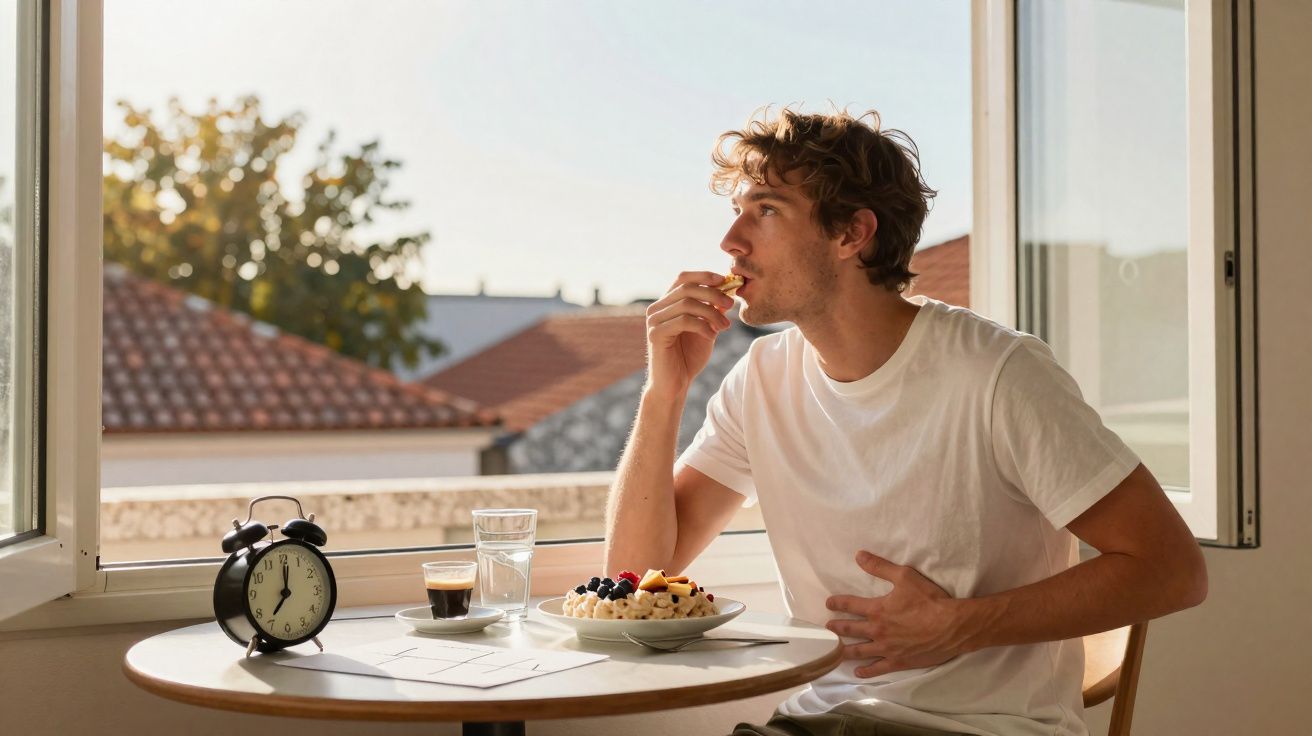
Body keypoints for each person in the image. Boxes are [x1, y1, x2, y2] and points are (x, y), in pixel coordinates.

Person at [603, 107, 1207, 736]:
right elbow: (631, 583)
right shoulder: (761, 378)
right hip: (814, 723)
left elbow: (1172, 568)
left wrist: (962, 625)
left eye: (767, 210)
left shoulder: (999, 373)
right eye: (737, 211)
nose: (731, 241)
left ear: (851, 235)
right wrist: (663, 391)